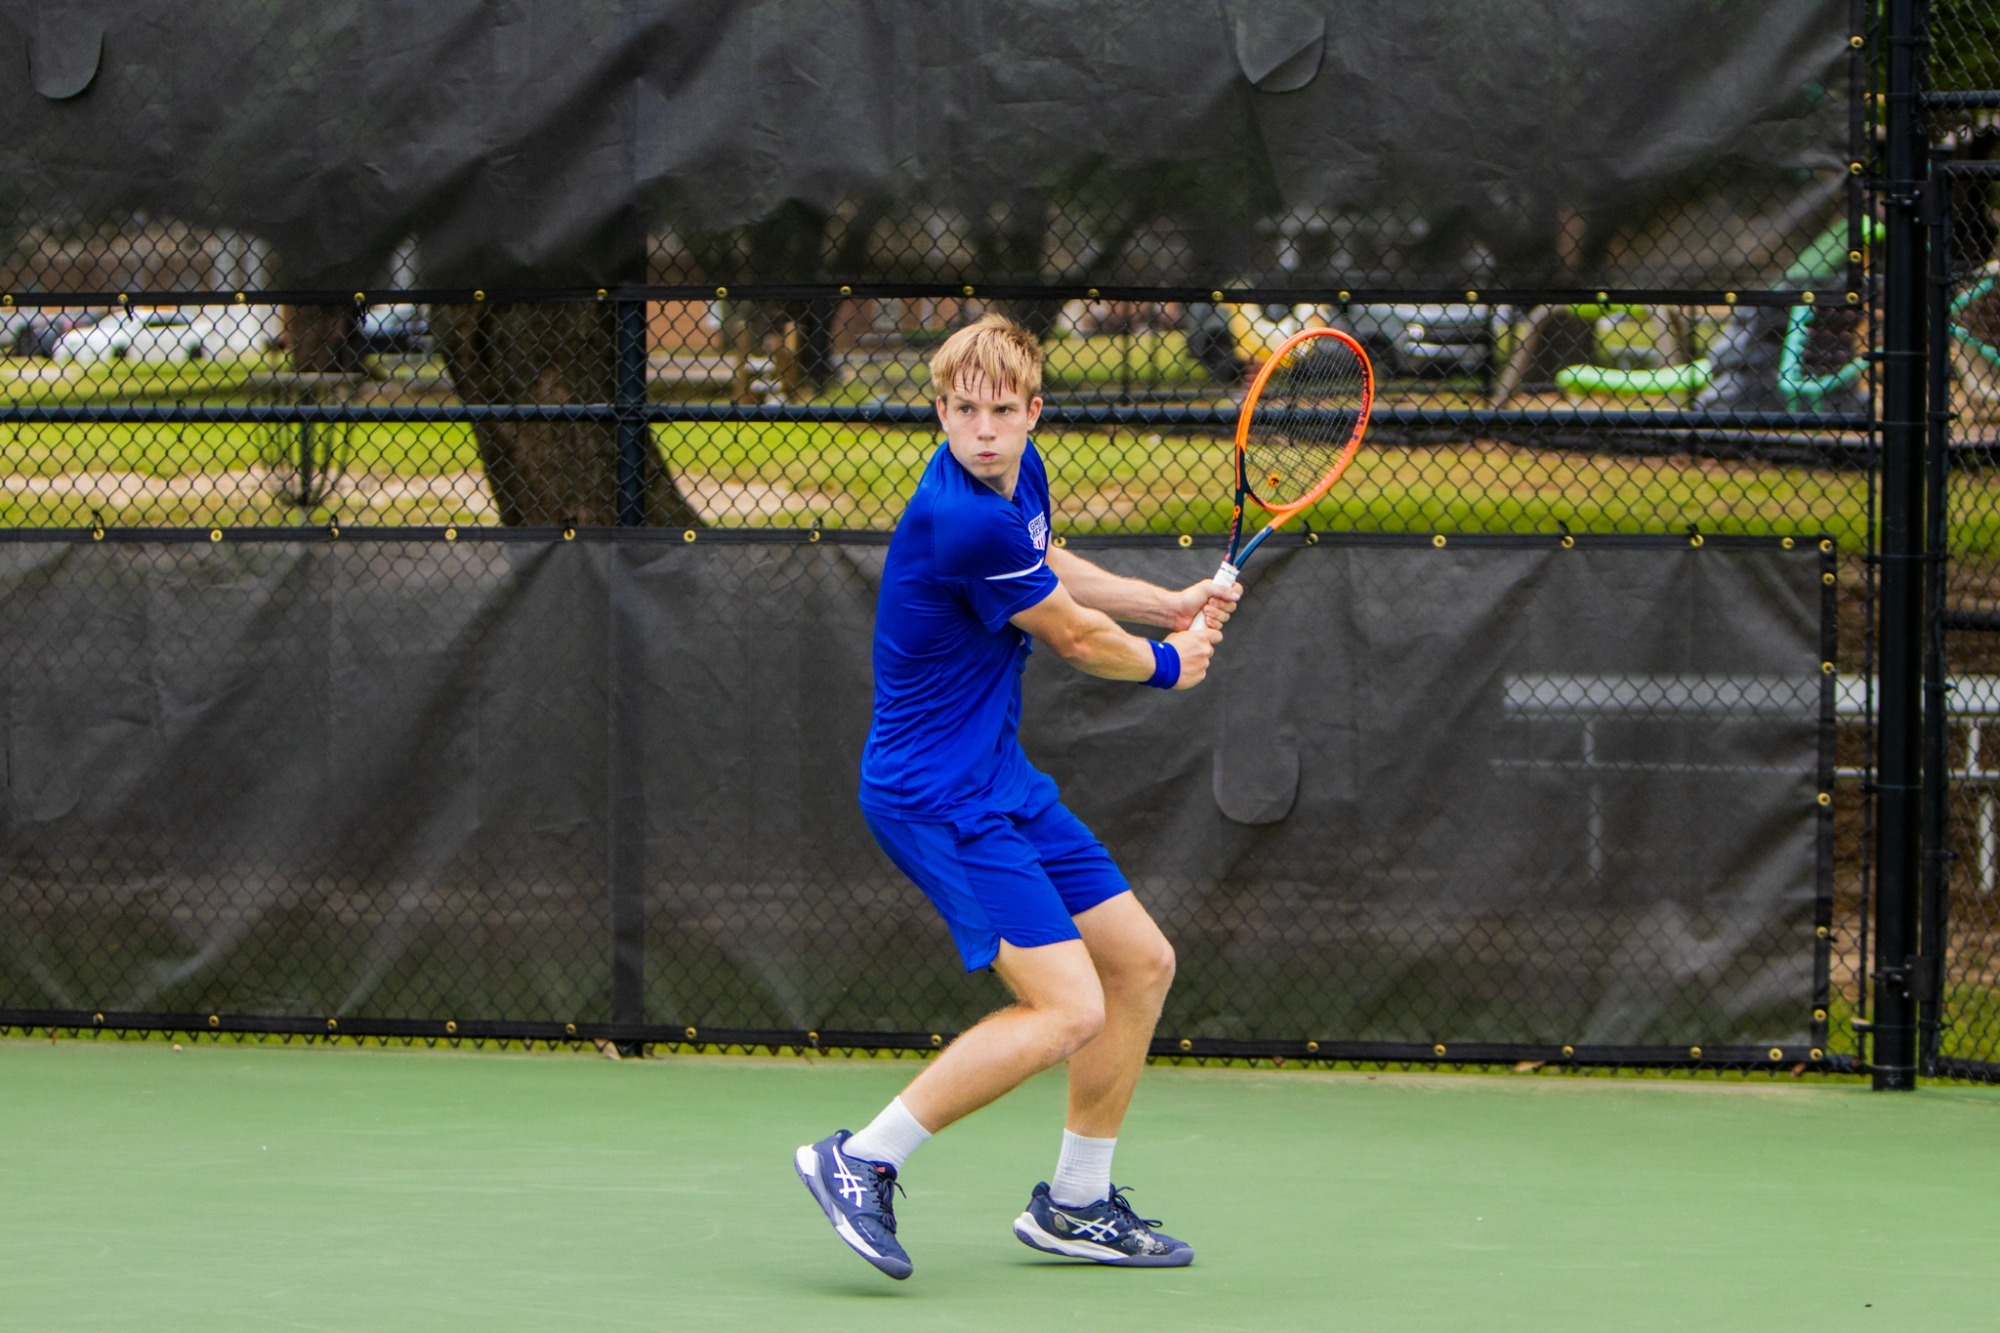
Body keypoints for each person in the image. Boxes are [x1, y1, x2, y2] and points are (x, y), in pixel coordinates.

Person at [794, 314, 1237, 1279]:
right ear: (940, 412)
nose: (984, 429)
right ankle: (862, 1157)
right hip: (933, 796)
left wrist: (1160, 601)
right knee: (1068, 1006)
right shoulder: (964, 515)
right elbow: (1073, 639)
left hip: (995, 776)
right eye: (964, 411)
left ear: (1033, 414)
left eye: (1002, 410)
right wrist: (1172, 664)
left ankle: (1075, 1202)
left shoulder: (1013, 481)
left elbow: (1051, 568)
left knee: (1141, 964)